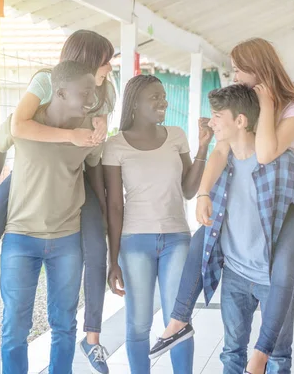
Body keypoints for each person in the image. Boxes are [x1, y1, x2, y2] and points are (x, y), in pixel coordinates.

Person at [151, 37, 294, 373]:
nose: (233, 75)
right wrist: (203, 194)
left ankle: (261, 356)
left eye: (237, 69)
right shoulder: (247, 104)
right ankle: (178, 321)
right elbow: (222, 149)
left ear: (257, 68)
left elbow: (266, 153)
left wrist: (269, 103)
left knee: (281, 273)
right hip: (259, 198)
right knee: (203, 236)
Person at [0, 30, 114, 374]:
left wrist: (98, 131)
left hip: (74, 186)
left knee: (97, 241)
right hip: (29, 188)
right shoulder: (46, 81)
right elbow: (17, 126)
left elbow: (95, 155)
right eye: (105, 59)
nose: (109, 66)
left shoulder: (102, 92)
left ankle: (92, 338)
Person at [0, 60, 103, 373]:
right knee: (15, 326)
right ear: (59, 92)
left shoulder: (89, 131)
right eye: (84, 92)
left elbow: (96, 172)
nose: (90, 98)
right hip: (20, 238)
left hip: (67, 240)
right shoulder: (23, 122)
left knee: (64, 323)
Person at [103, 75, 212, 374]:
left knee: (178, 320)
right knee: (138, 322)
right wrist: (113, 260)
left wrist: (204, 146)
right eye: (155, 96)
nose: (163, 101)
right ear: (135, 103)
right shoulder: (115, 145)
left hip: (177, 238)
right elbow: (114, 205)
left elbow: (189, 189)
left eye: (163, 96)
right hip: (134, 241)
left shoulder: (176, 136)